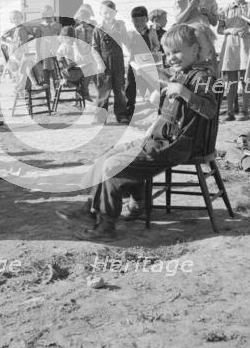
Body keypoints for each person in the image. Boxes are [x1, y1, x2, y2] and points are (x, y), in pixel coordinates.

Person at [77, 25, 218, 240]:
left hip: (174, 146)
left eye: (177, 52)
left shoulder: (202, 78)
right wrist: (162, 98)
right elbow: (179, 110)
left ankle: (106, 225)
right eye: (168, 53)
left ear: (195, 49)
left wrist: (182, 92)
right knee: (107, 155)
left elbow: (209, 110)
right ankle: (95, 208)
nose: (171, 58)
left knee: (113, 166)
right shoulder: (183, 75)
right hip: (159, 139)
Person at [217, 0, 250, 121]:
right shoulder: (225, 9)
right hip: (231, 45)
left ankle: (244, 110)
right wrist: (229, 30)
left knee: (246, 79)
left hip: (245, 45)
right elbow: (220, 29)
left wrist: (249, 31)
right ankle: (230, 111)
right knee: (231, 81)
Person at [173, 0, 218, 73]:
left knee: (206, 65)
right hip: (187, 37)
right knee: (188, 65)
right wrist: (190, 7)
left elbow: (214, 22)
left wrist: (207, 13)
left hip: (204, 36)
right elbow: (178, 21)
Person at [92, 0, 129, 124]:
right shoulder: (98, 29)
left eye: (111, 13)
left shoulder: (120, 26)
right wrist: (99, 63)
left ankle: (121, 114)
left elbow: (126, 41)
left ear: (115, 13)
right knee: (103, 91)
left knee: (120, 90)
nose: (108, 15)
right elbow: (95, 48)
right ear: (101, 13)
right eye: (106, 13)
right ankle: (100, 117)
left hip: (118, 62)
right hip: (104, 64)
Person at [125, 5, 161, 120]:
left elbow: (156, 45)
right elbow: (126, 47)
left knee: (152, 85)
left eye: (141, 20)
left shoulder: (151, 31)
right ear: (132, 21)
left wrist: (153, 51)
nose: (139, 23)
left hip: (148, 63)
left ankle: (157, 111)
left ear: (146, 19)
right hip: (134, 64)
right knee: (131, 87)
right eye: (136, 21)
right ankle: (129, 112)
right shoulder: (130, 33)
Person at [55, 26, 88, 97]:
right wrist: (80, 62)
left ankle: (79, 88)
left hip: (64, 72)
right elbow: (69, 63)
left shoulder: (63, 46)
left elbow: (62, 60)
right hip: (69, 73)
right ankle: (82, 89)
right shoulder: (67, 47)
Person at [37, 5, 62, 93]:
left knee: (56, 72)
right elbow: (37, 42)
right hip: (45, 51)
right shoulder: (40, 27)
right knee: (46, 71)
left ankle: (57, 92)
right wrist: (38, 54)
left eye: (50, 14)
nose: (48, 16)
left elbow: (61, 39)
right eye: (46, 14)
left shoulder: (58, 26)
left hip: (55, 51)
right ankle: (47, 93)